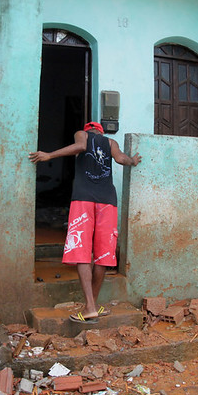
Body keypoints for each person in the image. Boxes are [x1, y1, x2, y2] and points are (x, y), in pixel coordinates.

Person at [28, 121, 141, 324]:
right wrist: (133, 160)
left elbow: (80, 147)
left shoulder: (82, 134)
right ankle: (92, 306)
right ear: (101, 130)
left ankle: (89, 307)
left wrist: (49, 155)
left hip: (83, 199)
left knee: (81, 250)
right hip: (108, 202)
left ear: (88, 129)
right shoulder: (111, 142)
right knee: (103, 255)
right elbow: (121, 159)